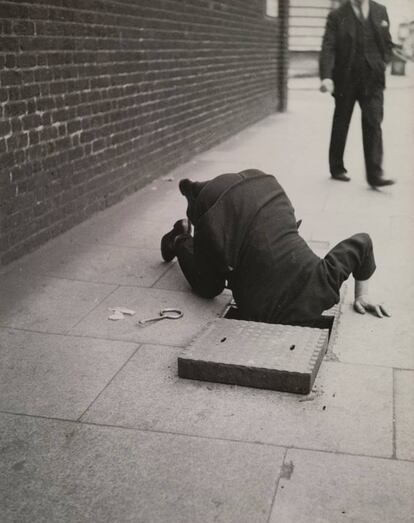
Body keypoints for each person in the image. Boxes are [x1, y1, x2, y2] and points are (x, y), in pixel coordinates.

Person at [161, 169, 390, 324]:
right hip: (218, 207)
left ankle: (197, 191)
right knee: (209, 287)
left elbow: (362, 242)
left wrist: (363, 294)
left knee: (264, 230)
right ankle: (180, 237)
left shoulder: (325, 280)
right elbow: (228, 273)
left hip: (263, 185)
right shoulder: (257, 309)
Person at [319, 0, 395, 188]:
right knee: (341, 122)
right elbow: (328, 47)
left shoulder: (380, 10)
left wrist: (383, 61)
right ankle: (336, 167)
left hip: (373, 79)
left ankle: (374, 174)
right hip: (346, 79)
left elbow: (386, 42)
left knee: (373, 121)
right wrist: (327, 77)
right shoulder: (337, 15)